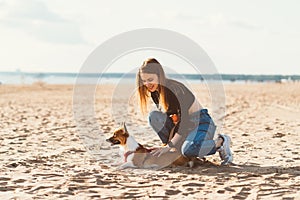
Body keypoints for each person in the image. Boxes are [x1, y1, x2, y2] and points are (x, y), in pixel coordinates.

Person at [136, 58, 233, 165]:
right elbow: (174, 119)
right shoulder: (155, 92)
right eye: (144, 81)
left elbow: (184, 123)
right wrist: (169, 145)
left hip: (200, 123)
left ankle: (221, 142)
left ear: (159, 76)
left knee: (189, 150)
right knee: (154, 116)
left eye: (150, 80)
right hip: (182, 127)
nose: (147, 84)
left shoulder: (175, 89)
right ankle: (178, 150)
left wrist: (170, 146)